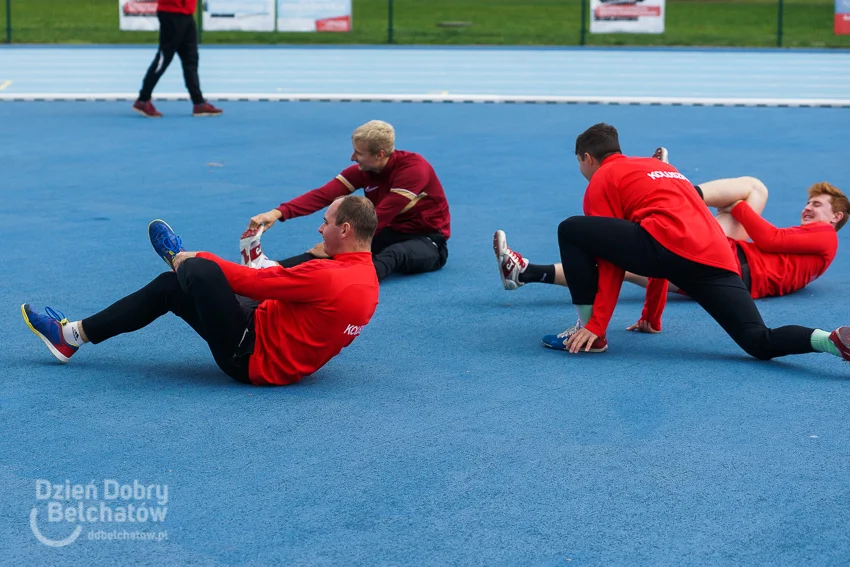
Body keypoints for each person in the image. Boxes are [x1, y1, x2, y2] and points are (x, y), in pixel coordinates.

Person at [524, 122, 850, 363]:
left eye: (579, 163)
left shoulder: (602, 180)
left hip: (667, 247)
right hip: (717, 258)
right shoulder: (659, 167)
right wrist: (652, 314)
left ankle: (584, 329)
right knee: (757, 340)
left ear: (586, 158)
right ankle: (830, 340)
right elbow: (662, 244)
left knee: (571, 229)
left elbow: (612, 259)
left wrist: (597, 326)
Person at [21, 196, 379, 386]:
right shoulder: (366, 280)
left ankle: (178, 257)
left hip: (250, 357)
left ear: (345, 229)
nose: (320, 229)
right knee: (171, 288)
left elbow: (253, 284)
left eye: (326, 222)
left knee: (200, 270)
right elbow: (289, 299)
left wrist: (195, 258)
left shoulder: (329, 276)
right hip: (274, 341)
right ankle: (72, 336)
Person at [495, 149, 847, 319]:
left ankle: (677, 190)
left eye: (816, 205)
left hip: (732, 269)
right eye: (809, 203)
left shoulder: (825, 238)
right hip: (733, 263)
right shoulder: (814, 242)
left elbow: (770, 240)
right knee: (635, 267)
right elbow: (770, 246)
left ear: (837, 217)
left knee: (755, 189)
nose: (808, 208)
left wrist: (736, 209)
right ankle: (526, 273)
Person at [242, 120, 451, 282]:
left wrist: (340, 243)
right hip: (388, 232)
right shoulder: (365, 169)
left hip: (427, 240)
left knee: (391, 254)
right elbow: (322, 195)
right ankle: (273, 269)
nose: (352, 157)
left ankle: (356, 281)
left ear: (379, 154)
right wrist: (277, 213)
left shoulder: (414, 170)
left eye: (358, 153)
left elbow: (381, 215)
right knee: (336, 246)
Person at [132, 0, 222, 118]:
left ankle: (198, 102)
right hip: (172, 13)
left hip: (187, 13)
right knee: (164, 59)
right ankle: (143, 100)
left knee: (191, 59)